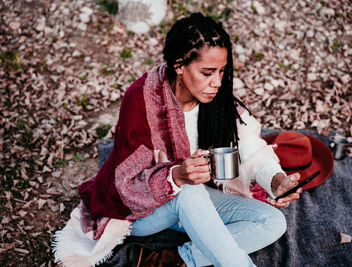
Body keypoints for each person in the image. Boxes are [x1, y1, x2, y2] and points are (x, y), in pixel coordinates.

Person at [53, 12, 302, 267]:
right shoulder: (141, 100)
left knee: (271, 221)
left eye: (222, 71)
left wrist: (276, 179)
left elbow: (249, 145)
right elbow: (127, 184)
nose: (217, 82)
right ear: (179, 65)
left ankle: (174, 260)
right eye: (207, 72)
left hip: (197, 198)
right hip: (142, 211)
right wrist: (177, 176)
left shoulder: (217, 94)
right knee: (188, 191)